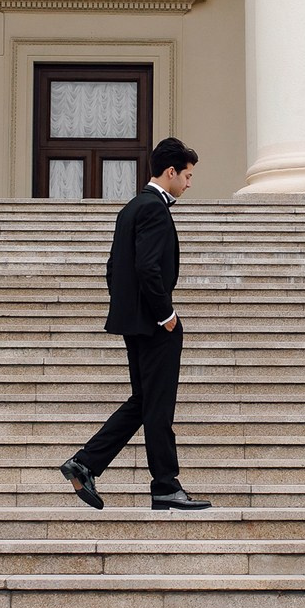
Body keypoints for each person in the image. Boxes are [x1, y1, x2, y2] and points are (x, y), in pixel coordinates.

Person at [58, 137, 212, 511]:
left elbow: (113, 270)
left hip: (134, 322)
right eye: (187, 176)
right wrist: (165, 315)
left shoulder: (131, 208)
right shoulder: (154, 209)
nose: (189, 183)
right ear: (171, 172)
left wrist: (131, 312)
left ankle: (87, 462)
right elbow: (147, 268)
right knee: (158, 407)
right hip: (155, 324)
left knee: (144, 401)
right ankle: (165, 485)